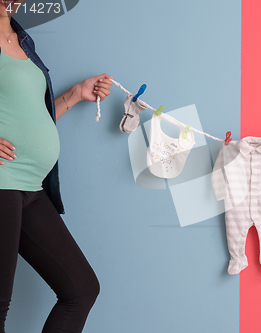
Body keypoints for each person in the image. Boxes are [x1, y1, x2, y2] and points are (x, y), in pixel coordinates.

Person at [0, 0, 113, 332]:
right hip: (3, 181)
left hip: (31, 188)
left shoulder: (24, 40)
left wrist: (78, 93)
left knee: (81, 290)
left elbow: (32, 115)